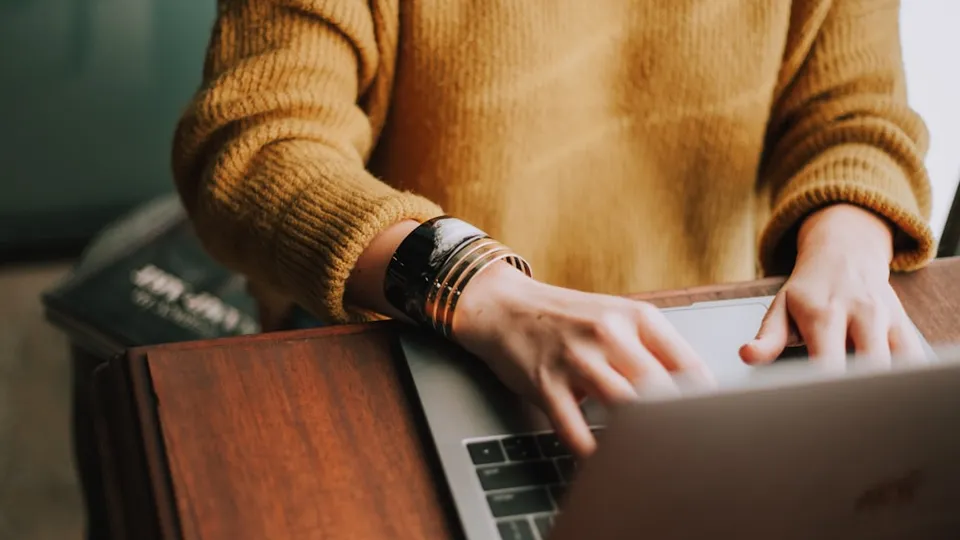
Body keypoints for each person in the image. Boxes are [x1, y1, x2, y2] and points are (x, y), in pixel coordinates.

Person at [171, 0, 934, 458]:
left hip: (699, 364)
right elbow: (254, 144)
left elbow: (855, 116)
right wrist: (473, 286)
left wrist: (849, 238)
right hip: (413, 338)